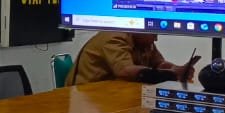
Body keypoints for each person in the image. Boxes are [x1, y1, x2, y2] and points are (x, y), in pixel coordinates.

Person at [66, 32, 197, 86]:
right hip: (86, 95)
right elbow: (125, 71)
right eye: (153, 34)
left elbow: (158, 63)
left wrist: (177, 69)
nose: (156, 39)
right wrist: (171, 75)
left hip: (115, 93)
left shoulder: (143, 41)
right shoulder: (114, 38)